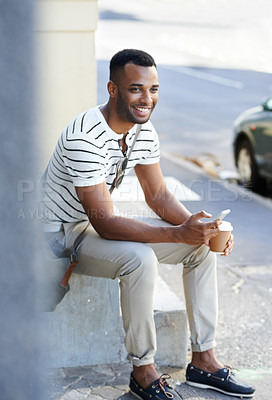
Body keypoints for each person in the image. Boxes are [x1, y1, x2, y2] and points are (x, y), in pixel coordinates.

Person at [40, 49, 255, 399]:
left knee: (199, 250)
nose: (147, 99)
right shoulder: (84, 137)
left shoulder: (144, 130)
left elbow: (158, 196)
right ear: (113, 89)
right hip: (61, 235)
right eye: (136, 89)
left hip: (93, 224)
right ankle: (143, 371)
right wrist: (177, 233)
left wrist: (199, 229)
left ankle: (204, 361)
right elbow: (105, 222)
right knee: (139, 260)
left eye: (153, 89)